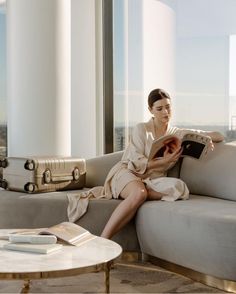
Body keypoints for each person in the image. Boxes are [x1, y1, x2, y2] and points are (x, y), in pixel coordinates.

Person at [100, 88, 224, 239]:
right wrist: (162, 162)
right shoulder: (142, 129)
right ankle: (103, 239)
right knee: (139, 194)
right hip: (129, 172)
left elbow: (219, 135)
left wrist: (207, 138)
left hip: (152, 181)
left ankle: (145, 192)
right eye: (159, 109)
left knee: (180, 188)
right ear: (150, 110)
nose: (165, 112)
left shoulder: (177, 133)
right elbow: (134, 161)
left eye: (168, 107)